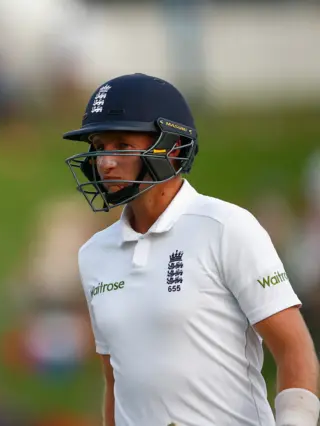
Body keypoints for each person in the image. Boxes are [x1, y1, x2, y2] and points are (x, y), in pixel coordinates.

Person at [62, 73, 319, 426]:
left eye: (121, 145)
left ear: (173, 147)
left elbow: (295, 350)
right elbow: (115, 382)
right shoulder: (94, 254)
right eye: (98, 146)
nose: (105, 162)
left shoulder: (226, 227)